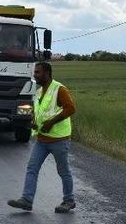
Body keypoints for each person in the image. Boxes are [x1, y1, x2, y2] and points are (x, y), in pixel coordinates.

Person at [8, 62, 77, 213]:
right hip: (42, 139)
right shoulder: (39, 92)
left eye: (38, 72)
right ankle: (27, 200)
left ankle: (69, 200)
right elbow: (40, 111)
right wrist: (34, 122)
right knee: (32, 168)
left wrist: (51, 123)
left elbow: (71, 108)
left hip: (59, 139)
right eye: (35, 72)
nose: (35, 75)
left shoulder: (59, 89)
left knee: (63, 171)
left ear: (47, 73)